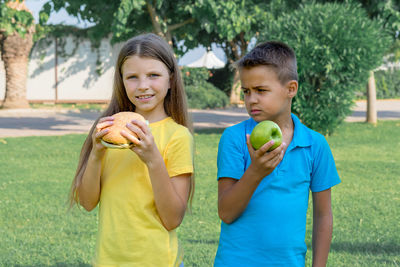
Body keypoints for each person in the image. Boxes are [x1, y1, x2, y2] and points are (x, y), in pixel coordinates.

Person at [69, 33, 194, 267]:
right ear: (122, 81)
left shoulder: (178, 136)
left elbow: (172, 219)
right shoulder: (107, 132)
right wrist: (96, 154)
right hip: (108, 261)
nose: (143, 85)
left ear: (171, 78)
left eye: (153, 75)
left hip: (159, 261)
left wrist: (153, 160)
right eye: (132, 77)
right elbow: (86, 202)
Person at [214, 41, 341, 267]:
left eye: (261, 90)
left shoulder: (315, 145)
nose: (251, 99)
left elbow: (323, 215)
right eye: (246, 91)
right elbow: (226, 212)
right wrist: (256, 172)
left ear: (290, 89)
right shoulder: (234, 138)